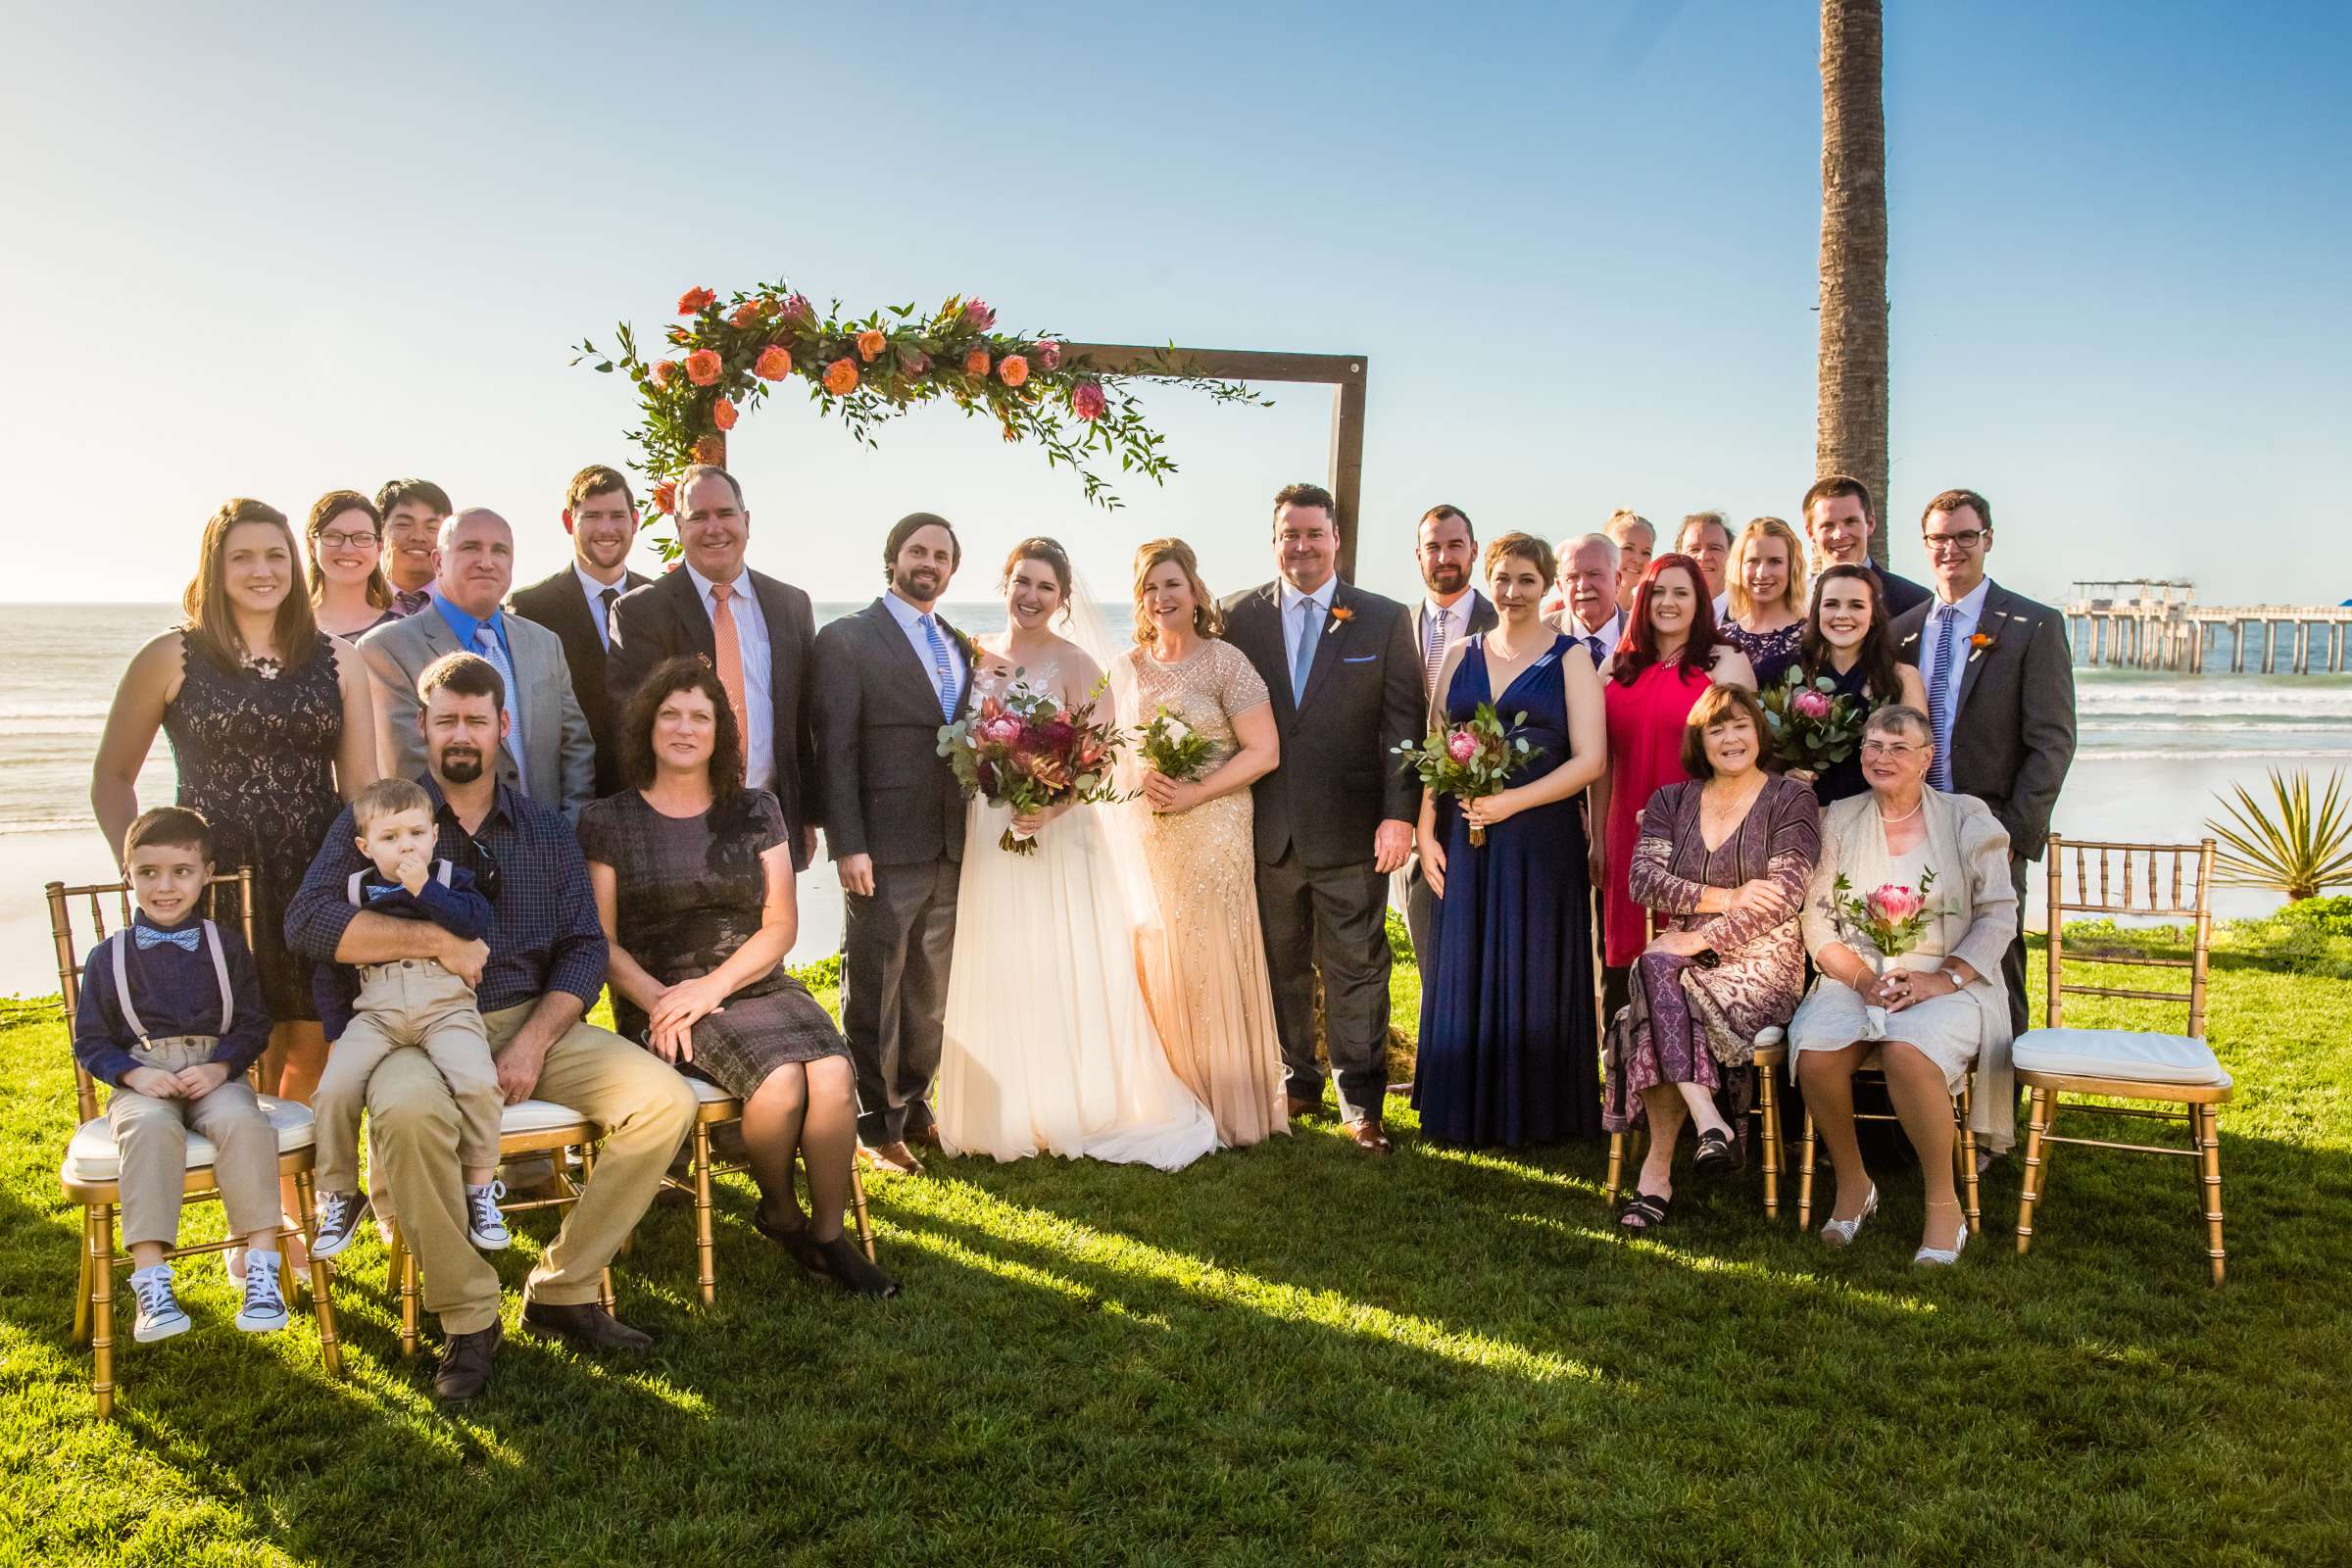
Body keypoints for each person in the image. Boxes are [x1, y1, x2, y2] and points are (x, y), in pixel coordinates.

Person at [285, 653, 697, 1402]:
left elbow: (582, 945)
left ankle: (564, 1290)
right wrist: (435, 942)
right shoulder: (379, 822)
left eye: (477, 718)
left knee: (664, 1101)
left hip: (531, 1018)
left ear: (503, 728)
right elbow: (309, 922)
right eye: (447, 719)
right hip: (414, 1024)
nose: (462, 733)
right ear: (423, 727)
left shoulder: (544, 829)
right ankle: (469, 1314)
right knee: (406, 1115)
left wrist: (536, 1040)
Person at [93, 497, 378, 1267]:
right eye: (243, 557)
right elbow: (113, 779)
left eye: (275, 556)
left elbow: (362, 796)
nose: (262, 571)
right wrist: (152, 877)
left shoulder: (338, 660)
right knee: (228, 1053)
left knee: (309, 1043)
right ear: (215, 569)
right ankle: (259, 1221)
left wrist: (361, 886)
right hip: (213, 886)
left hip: (312, 881)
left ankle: (287, 1210)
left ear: (298, 565)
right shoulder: (172, 657)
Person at [581, 657, 899, 1296]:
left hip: (753, 980)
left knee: (833, 1076)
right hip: (667, 993)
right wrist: (662, 1000)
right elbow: (602, 941)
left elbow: (780, 926)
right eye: (670, 714)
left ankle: (829, 1236)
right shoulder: (607, 821)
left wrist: (713, 987)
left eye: (700, 716)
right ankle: (780, 1211)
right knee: (781, 1085)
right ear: (647, 725)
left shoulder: (757, 810)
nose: (684, 727)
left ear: (719, 732)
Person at [936, 539, 1219, 1168]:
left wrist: (1053, 804)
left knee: (1056, 958)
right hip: (988, 829)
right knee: (999, 957)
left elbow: (1105, 759)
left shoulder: (1077, 664)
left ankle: (1070, 1103)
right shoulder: (973, 654)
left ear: (1063, 600)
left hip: (1057, 833)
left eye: (1045, 588)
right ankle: (999, 1106)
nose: (1030, 597)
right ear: (1003, 583)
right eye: (1021, 582)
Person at [1219, 482, 1423, 1153]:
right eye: (1289, 534)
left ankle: (1361, 1100)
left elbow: (1404, 727)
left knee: (1358, 967)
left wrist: (1400, 817)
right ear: (1274, 540)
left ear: (1336, 538)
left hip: (1354, 830)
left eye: (1313, 533)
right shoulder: (1236, 616)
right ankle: (1297, 1080)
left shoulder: (1384, 618)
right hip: (1267, 830)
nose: (1301, 546)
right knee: (1279, 964)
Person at [1788, 705, 2017, 1264]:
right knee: (1816, 1056)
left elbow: (1998, 915)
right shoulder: (1836, 818)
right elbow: (1817, 922)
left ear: (1926, 758)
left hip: (1953, 980)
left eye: (1897, 747)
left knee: (1907, 1052)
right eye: (1871, 746)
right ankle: (1853, 1183)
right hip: (1857, 975)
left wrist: (1942, 979)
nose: (1881, 757)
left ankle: (1943, 1205)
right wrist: (1864, 980)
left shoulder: (1968, 817)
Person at [1413, 533, 1607, 1147]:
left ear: (1546, 585)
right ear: (1486, 580)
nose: (1513, 591)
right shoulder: (1461, 653)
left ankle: (1536, 1111)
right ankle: (1461, 1106)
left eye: (1527, 579)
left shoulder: (1570, 657)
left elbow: (1591, 760)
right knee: (1464, 957)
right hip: (1464, 835)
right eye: (1502, 578)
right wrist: (1424, 827)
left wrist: (1512, 802)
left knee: (1534, 958)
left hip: (1540, 841)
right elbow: (1435, 745)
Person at [1602, 686, 1821, 1229]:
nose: (1730, 738)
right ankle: (1708, 1126)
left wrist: (1698, 938)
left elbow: (1784, 896)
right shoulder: (1669, 802)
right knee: (1659, 974)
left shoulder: (1792, 800)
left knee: (1653, 978)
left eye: (1740, 725)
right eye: (1716, 728)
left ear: (1759, 733)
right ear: (1699, 740)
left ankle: (1657, 1175)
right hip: (1679, 958)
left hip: (1763, 957)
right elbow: (1642, 880)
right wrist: (1727, 896)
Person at [74, 807, 286, 1342]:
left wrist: (221, 1067)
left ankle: (261, 1267)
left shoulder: (225, 945)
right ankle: (151, 1281)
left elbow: (254, 1022)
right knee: (148, 1129)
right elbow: (91, 1041)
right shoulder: (108, 956)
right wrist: (129, 1075)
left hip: (215, 1075)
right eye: (148, 873)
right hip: (144, 1076)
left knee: (244, 1121)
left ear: (206, 873)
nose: (164, 887)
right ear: (129, 876)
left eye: (181, 872)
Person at [811, 513, 970, 1174]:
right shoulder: (848, 638)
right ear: (893, 557)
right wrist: (848, 843)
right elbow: (834, 749)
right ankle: (874, 1125)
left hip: (948, 842)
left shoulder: (957, 642)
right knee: (874, 985)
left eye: (941, 555)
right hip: (881, 845)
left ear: (952, 569)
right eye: (918, 550)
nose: (928, 562)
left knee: (929, 989)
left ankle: (916, 1103)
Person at [1119, 539, 1289, 1147]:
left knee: (1210, 946)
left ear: (1194, 591)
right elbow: (1114, 751)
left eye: (1171, 585)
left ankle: (1227, 1099)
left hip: (1215, 824)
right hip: (1151, 830)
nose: (1161, 598)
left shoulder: (1225, 662)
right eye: (1149, 588)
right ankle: (1169, 1092)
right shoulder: (1128, 667)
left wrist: (1197, 792)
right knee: (1157, 949)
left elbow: (1264, 752)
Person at [1891, 488, 2076, 1039]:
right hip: (1915, 825)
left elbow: (2053, 741)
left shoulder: (2032, 625)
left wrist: (2014, 833)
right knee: (1918, 959)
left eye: (1964, 536)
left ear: (1987, 540)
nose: (1952, 548)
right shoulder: (1902, 630)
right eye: (1939, 538)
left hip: (1991, 825)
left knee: (1998, 963)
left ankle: (2004, 1111)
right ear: (1925, 545)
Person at [305, 777, 505, 1261]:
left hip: (446, 1009)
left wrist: (424, 887)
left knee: (478, 1083)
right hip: (376, 1012)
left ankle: (480, 1188)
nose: (405, 846)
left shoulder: (453, 879)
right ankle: (338, 1193)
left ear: (434, 836)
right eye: (389, 838)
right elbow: (328, 969)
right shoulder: (354, 891)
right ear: (363, 846)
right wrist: (336, 1031)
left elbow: (473, 923)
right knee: (332, 1089)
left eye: (415, 834)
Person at [607, 466, 817, 860]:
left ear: (747, 521)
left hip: (774, 824)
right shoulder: (641, 611)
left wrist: (806, 815)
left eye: (725, 513)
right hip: (679, 830)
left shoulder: (791, 605)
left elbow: (803, 720)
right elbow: (632, 728)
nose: (714, 527)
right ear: (679, 526)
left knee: (778, 925)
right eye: (698, 517)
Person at [1590, 554, 1755, 1021]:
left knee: (1690, 963)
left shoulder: (1723, 661)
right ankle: (1625, 1081)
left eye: (1681, 593)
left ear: (1699, 601)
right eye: (1657, 592)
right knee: (1624, 962)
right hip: (1626, 834)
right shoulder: (1617, 666)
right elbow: (1600, 762)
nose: (1668, 602)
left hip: (1699, 838)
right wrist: (1599, 838)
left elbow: (1744, 755)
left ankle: (1694, 1084)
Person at [357, 507, 595, 820]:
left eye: (500, 550)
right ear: (438, 561)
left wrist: (567, 833)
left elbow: (576, 749)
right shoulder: (386, 649)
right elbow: (408, 769)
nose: (487, 562)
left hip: (548, 853)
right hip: (448, 857)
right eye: (470, 547)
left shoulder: (544, 643)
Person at [510, 464, 652, 800]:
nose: (606, 528)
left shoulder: (661, 601)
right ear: (568, 521)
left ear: (635, 521)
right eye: (592, 516)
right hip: (568, 803)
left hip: (651, 799)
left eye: (617, 515)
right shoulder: (531, 608)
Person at [1399, 504, 1495, 979]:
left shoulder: (1500, 621)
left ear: (1473, 550)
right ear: (1418, 555)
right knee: (1428, 940)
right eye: (1433, 547)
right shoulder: (1394, 624)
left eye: (1455, 545)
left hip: (1484, 805)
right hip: (1407, 804)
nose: (1444, 557)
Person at [1788, 564, 1928, 804]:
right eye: (1831, 604)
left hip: (1878, 819)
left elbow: (1917, 765)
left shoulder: (1902, 678)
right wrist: (1788, 779)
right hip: (1808, 816)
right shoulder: (1796, 676)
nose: (1842, 614)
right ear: (1817, 612)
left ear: (1873, 615)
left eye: (1856, 605)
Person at [1801, 473, 1930, 618]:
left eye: (1850, 522)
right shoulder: (1794, 602)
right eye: (1828, 525)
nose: (1840, 534)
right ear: (1810, 532)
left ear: (1870, 523)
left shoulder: (1915, 602)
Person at [1721, 515, 1809, 687]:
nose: (1762, 572)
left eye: (1775, 562)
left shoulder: (1812, 637)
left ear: (1792, 568)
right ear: (1738, 567)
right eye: (1753, 561)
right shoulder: (1720, 637)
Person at [305, 490, 397, 642]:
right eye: (333, 536)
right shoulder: (285, 626)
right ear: (313, 546)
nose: (347, 550)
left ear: (379, 548)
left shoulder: (403, 633)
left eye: (362, 538)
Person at [1543, 531, 1625, 663]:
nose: (1583, 586)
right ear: (1560, 587)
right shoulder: (1540, 635)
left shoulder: (1646, 633)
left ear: (1617, 581)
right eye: (1572, 577)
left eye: (1593, 574)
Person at [374, 477, 450, 619]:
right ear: (379, 531)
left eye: (432, 528)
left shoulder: (464, 609)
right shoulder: (354, 604)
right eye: (404, 525)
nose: (418, 536)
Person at [1676, 511, 1734, 620]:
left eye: (1714, 548)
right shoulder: (1662, 616)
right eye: (1694, 549)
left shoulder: (1751, 615)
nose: (1703, 556)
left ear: (1731, 555)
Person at [1605, 510, 1655, 607]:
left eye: (1646, 552)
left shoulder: (1650, 613)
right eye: (1628, 548)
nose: (1638, 560)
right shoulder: (1584, 608)